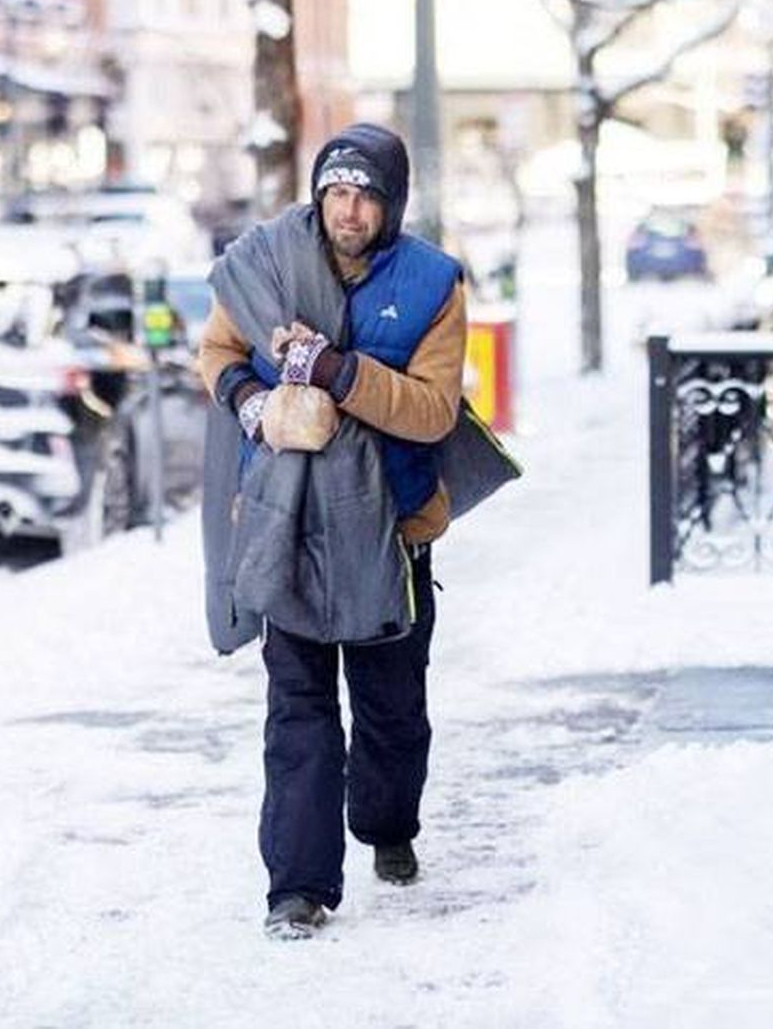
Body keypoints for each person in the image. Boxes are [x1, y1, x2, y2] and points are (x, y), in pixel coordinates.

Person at [196, 123, 468, 940]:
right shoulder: (265, 263)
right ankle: (298, 887)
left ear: (391, 205)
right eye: (336, 192)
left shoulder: (431, 283)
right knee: (299, 710)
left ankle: (388, 828)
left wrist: (338, 375)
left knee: (390, 710)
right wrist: (251, 401)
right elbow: (217, 351)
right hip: (291, 521)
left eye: (365, 196)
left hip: (391, 529)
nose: (347, 210)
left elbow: (432, 411)